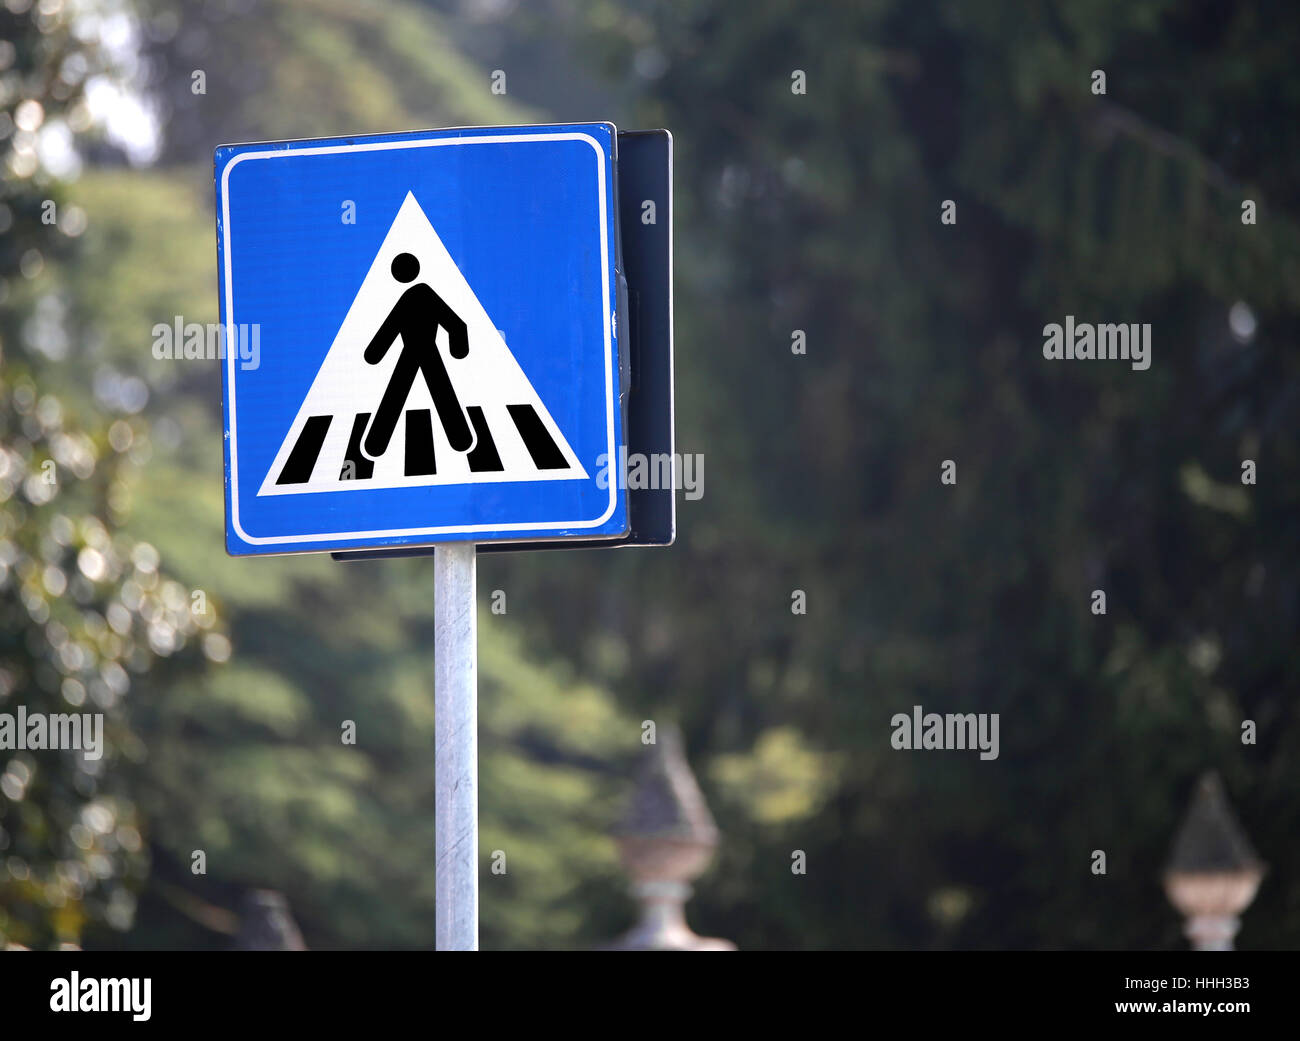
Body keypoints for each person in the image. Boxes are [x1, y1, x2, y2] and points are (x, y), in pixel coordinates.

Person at [361, 252, 473, 458]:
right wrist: (457, 350)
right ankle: (461, 439)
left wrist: (374, 354)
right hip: (422, 351)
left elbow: (390, 328)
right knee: (439, 394)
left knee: (397, 396)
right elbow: (456, 324)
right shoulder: (422, 295)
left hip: (417, 351)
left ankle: (375, 444)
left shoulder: (414, 296)